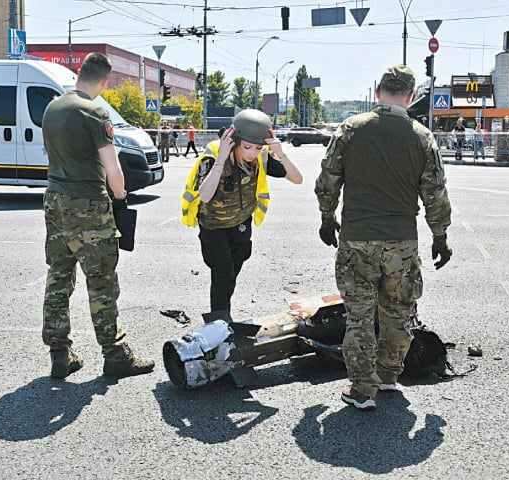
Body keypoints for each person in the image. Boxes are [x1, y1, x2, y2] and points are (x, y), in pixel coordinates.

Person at [315, 65, 452, 410]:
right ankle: (389, 376)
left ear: (377, 91)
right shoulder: (422, 137)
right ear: (411, 96)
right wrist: (440, 237)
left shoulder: (350, 130)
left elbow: (328, 182)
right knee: (398, 313)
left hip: (357, 240)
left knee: (359, 316)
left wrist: (327, 218)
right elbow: (435, 193)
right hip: (401, 244)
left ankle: (362, 390)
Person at [41, 52, 154, 379]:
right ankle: (115, 355)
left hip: (55, 201)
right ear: (104, 82)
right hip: (88, 204)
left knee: (59, 277)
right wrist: (120, 201)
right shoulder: (94, 112)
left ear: (79, 72)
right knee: (102, 281)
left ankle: (60, 355)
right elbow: (113, 169)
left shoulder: (53, 107)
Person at [181, 109, 303, 314]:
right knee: (223, 274)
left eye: (257, 148)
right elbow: (205, 195)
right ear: (234, 140)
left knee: (231, 273)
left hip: (240, 222)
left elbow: (297, 179)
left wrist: (280, 153)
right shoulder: (213, 153)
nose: (251, 153)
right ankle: (220, 322)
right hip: (214, 225)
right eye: (247, 147)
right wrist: (221, 158)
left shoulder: (261, 156)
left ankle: (221, 316)